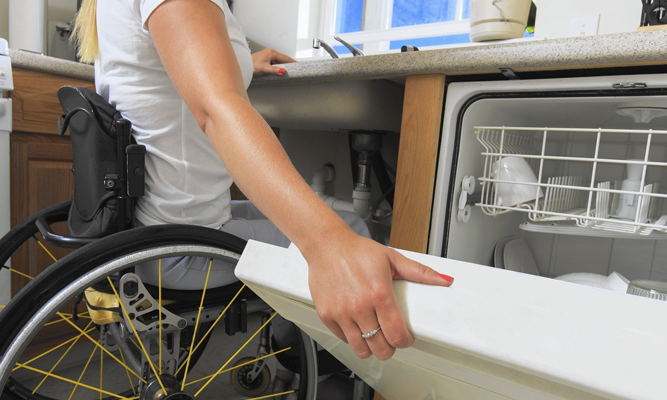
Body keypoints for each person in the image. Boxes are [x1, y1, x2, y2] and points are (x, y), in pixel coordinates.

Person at [72, 0, 454, 370]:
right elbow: (216, 111)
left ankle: (296, 351)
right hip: (181, 249)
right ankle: (310, 358)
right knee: (350, 228)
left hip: (146, 230)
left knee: (329, 219)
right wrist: (328, 246)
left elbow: (161, 70)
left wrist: (238, 61)